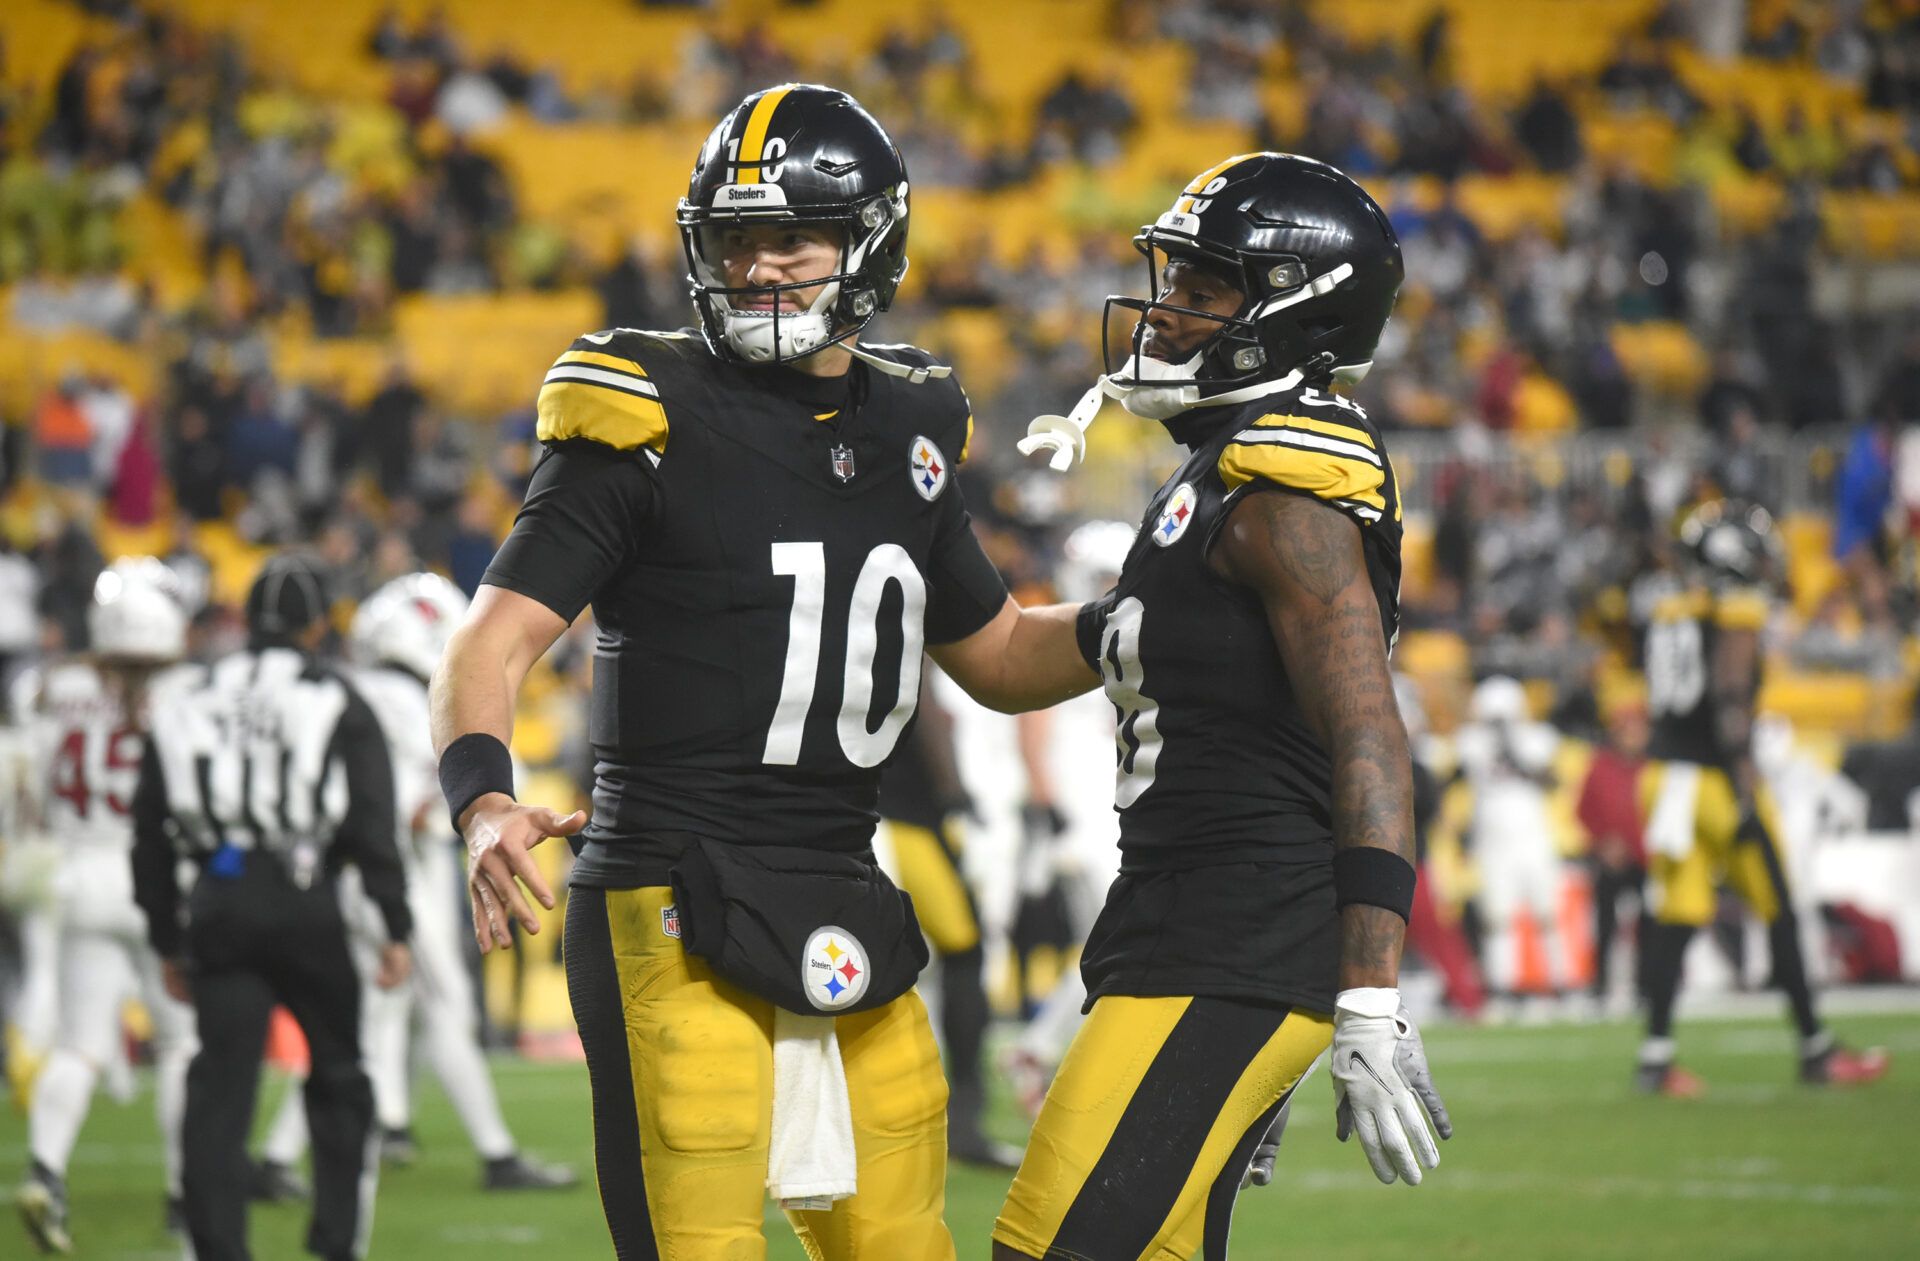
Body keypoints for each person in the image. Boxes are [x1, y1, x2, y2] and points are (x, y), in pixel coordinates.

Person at [430, 84, 1099, 1260]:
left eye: (792, 238)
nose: (762, 269)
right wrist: (483, 800)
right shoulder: (645, 410)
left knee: (907, 1245)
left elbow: (995, 654)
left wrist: (1141, 621)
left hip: (844, 885)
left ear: (867, 240)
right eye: (737, 241)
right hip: (672, 895)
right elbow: (489, 642)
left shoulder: (913, 421)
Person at [996, 152, 1450, 1261]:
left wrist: (1367, 996)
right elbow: (1011, 659)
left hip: (1239, 935)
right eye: (1176, 283)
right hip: (1179, 922)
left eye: (1203, 292)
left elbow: (1369, 734)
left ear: (1293, 316)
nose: (1166, 311)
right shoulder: (1215, 481)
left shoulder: (1287, 491)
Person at [253, 573, 576, 1195]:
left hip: (338, 872)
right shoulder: (406, 700)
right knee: (437, 1011)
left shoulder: (346, 687)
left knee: (373, 1019)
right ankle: (494, 1154)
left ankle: (284, 1155)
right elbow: (406, 801)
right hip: (390, 875)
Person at [130, 554, 414, 1261]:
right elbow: (373, 822)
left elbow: (149, 833)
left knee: (220, 1091)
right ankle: (335, 1242)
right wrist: (393, 923)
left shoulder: (190, 695)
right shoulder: (336, 697)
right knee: (341, 1078)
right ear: (317, 623)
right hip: (304, 895)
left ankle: (220, 1248)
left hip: (220, 897)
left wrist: (168, 936)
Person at [1635, 499, 1889, 1095]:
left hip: (1666, 778)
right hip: (1714, 779)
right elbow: (1728, 692)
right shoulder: (1735, 608)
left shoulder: (1668, 609)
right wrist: (1745, 771)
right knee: (1776, 902)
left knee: (1677, 915)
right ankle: (1815, 1048)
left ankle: (1656, 1057)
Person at [14, 560, 197, 1254]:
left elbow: (30, 782)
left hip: (80, 874)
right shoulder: (186, 689)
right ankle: (184, 1193)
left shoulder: (52, 686)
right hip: (159, 882)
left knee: (79, 1045)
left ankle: (47, 1171)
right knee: (180, 1042)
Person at [1456, 675, 1574, 1012]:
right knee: (1496, 918)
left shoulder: (1536, 739)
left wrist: (1516, 751)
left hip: (1533, 837)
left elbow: (1553, 780)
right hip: (1492, 842)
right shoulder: (1472, 741)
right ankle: (1502, 987)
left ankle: (1561, 982)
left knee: (1548, 914)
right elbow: (1462, 771)